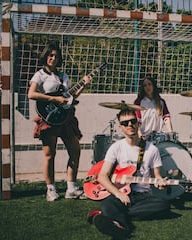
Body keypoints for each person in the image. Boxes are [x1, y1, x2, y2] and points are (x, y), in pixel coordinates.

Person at [87, 108, 171, 240]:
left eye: (133, 121)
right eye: (125, 123)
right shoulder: (116, 147)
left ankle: (109, 217)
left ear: (138, 123)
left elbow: (157, 176)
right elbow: (103, 176)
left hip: (143, 196)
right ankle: (122, 228)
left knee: (163, 205)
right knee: (109, 202)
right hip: (121, 192)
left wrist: (160, 183)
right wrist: (118, 194)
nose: (130, 125)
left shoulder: (152, 149)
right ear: (121, 127)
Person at [28, 41, 91, 201]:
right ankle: (50, 189)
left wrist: (83, 85)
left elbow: (70, 97)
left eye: (56, 56)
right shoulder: (40, 75)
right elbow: (31, 94)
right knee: (50, 154)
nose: (53, 58)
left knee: (75, 151)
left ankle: (71, 188)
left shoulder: (63, 76)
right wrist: (53, 98)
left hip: (66, 118)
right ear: (45, 56)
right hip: (49, 118)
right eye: (51, 55)